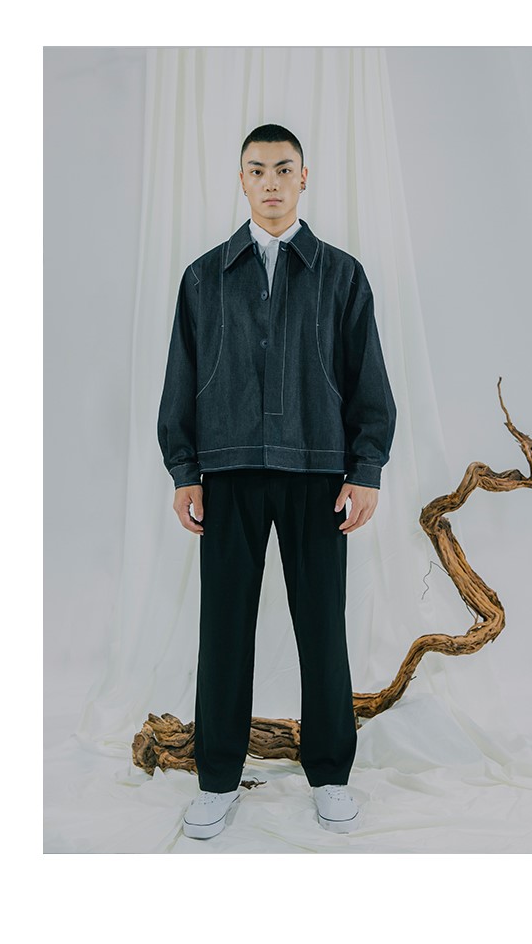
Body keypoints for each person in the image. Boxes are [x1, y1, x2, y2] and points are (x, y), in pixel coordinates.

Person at [157, 123, 396, 839]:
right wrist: (184, 471)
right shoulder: (204, 277)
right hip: (227, 473)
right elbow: (180, 379)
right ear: (241, 180)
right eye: (257, 169)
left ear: (304, 177)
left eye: (283, 169)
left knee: (322, 628)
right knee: (223, 630)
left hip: (317, 472)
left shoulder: (341, 274)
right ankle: (217, 780)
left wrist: (367, 469)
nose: (270, 182)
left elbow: (368, 378)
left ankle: (330, 776)